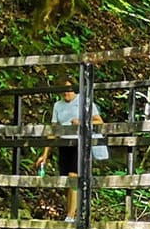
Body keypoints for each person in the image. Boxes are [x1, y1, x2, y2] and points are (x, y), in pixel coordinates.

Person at [33, 82, 102, 221]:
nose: (66, 93)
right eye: (63, 91)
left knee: (73, 177)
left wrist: (83, 122)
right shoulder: (58, 106)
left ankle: (71, 216)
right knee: (67, 180)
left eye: (69, 90)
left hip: (80, 144)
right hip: (64, 144)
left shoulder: (84, 101)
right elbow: (54, 130)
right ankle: (72, 212)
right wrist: (45, 154)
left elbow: (99, 121)